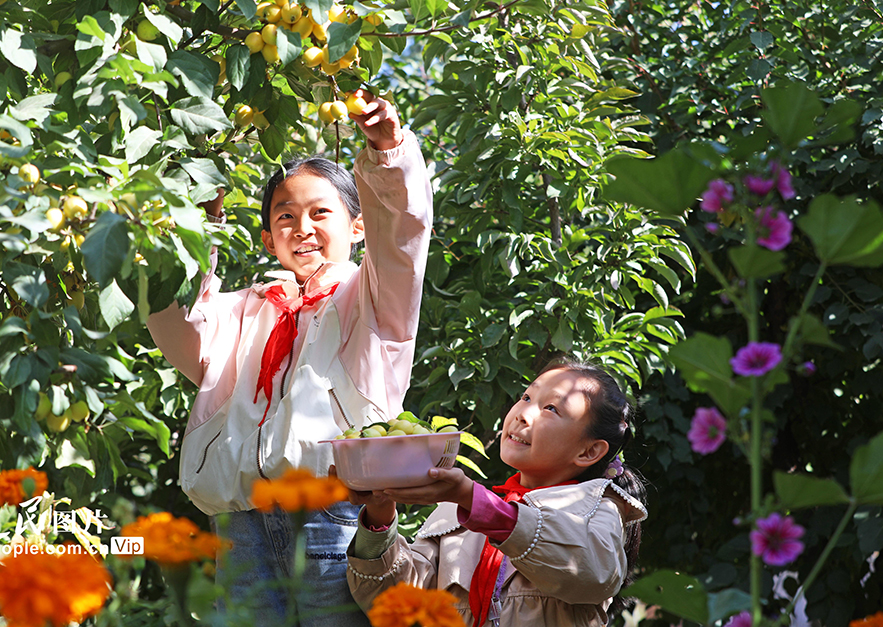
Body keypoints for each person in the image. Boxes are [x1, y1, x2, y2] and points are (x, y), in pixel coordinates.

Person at [146, 89, 432, 625]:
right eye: (285, 216)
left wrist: (388, 156)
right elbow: (174, 322)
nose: (302, 228)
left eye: (321, 212)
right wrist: (187, 233)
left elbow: (403, 240)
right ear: (267, 235)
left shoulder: (372, 299)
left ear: (358, 225)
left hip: (334, 514)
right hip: (241, 523)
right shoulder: (242, 310)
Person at [345, 359, 648, 626]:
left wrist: (474, 502)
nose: (523, 414)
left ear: (589, 451)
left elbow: (589, 573)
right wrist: (380, 510)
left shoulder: (598, 511)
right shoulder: (457, 513)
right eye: (526, 396)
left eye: (551, 408)